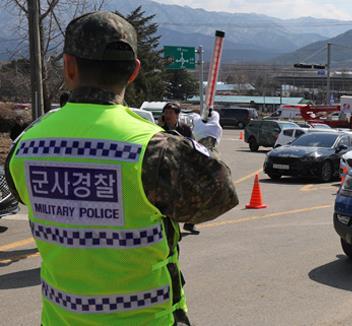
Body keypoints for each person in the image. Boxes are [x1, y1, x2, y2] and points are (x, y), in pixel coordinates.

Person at [4, 11, 238, 325]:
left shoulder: (26, 147)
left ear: (69, 66)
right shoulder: (155, 150)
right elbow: (219, 196)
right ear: (133, 72)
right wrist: (207, 141)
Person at [158, 103, 198, 235]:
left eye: (171, 113)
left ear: (177, 115)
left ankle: (190, 223)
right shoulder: (158, 128)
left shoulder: (185, 129)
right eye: (166, 112)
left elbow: (192, 145)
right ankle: (167, 225)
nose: (168, 115)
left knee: (191, 194)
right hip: (165, 167)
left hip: (182, 166)